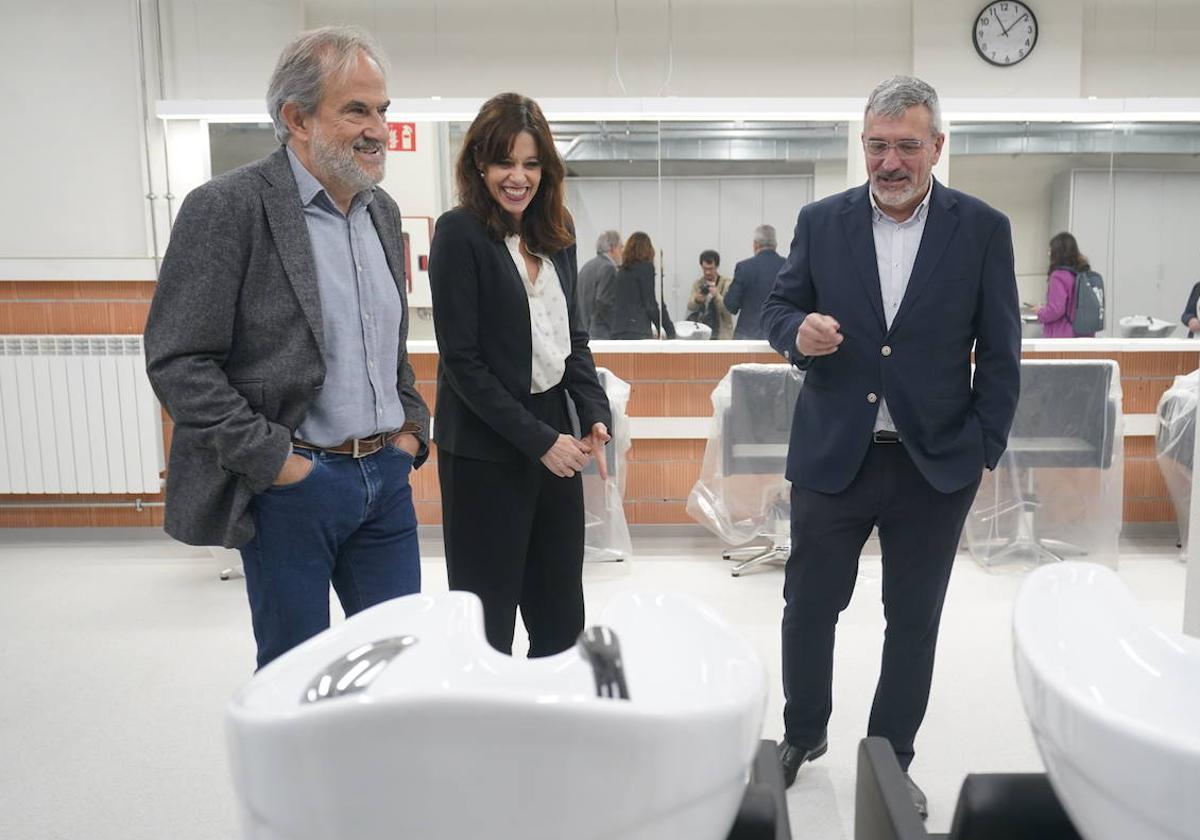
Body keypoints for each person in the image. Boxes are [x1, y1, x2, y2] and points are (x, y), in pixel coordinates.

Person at [760, 75, 1020, 818]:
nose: (890, 161)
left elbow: (1002, 352)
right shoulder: (821, 220)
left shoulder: (982, 229)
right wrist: (796, 336)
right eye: (877, 145)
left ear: (937, 146)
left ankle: (889, 757)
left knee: (914, 619)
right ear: (863, 146)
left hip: (933, 464)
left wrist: (982, 449)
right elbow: (781, 307)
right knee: (808, 605)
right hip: (833, 456)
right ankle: (802, 732)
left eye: (908, 145)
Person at [144, 26, 430, 670]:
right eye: (356, 109)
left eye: (382, 109)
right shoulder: (229, 207)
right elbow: (178, 358)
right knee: (295, 676)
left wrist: (411, 427)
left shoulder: (379, 211)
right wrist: (274, 462)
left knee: (396, 666)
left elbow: (386, 344)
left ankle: (376, 776)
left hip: (385, 479)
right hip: (295, 487)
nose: (379, 128)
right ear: (296, 117)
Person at [428, 93, 612, 657]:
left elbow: (572, 340)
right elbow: (462, 361)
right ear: (479, 165)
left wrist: (596, 416)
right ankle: (488, 739)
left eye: (531, 164)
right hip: (487, 447)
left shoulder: (556, 232)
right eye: (505, 162)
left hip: (556, 431)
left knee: (561, 618)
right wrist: (541, 443)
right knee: (488, 622)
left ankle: (550, 730)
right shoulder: (459, 235)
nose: (518, 177)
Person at [725, 225, 786, 340]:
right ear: (775, 245)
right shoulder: (788, 266)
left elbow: (731, 305)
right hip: (778, 335)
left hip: (747, 336)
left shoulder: (744, 267)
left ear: (755, 244)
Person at [611, 232, 671, 339]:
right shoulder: (646, 268)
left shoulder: (622, 271)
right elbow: (650, 304)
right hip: (638, 329)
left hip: (618, 329)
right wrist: (668, 330)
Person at [1035, 232, 1094, 337]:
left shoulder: (1058, 276)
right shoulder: (1082, 274)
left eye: (1050, 250)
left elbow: (1056, 310)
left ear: (1056, 253)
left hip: (1063, 337)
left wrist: (1040, 312)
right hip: (1085, 335)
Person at [577, 230, 622, 338]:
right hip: (601, 333)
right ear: (613, 248)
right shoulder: (608, 268)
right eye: (621, 248)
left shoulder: (586, 267)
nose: (622, 253)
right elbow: (603, 302)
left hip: (584, 330)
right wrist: (617, 327)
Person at [686, 250, 733, 339]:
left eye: (711, 269)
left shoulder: (726, 283)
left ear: (717, 266)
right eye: (705, 269)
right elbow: (690, 306)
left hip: (722, 335)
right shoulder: (698, 284)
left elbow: (728, 311)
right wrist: (697, 300)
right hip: (702, 333)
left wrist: (717, 296)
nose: (707, 272)